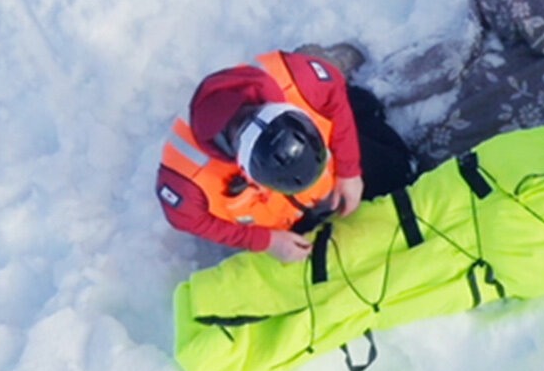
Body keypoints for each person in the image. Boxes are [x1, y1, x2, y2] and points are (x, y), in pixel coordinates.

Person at [157, 46, 414, 263]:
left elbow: (333, 91)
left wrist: (349, 171)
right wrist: (265, 241)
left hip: (331, 171)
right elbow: (190, 220)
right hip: (280, 223)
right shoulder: (185, 184)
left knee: (394, 166)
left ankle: (317, 54)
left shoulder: (300, 80)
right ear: (245, 171)